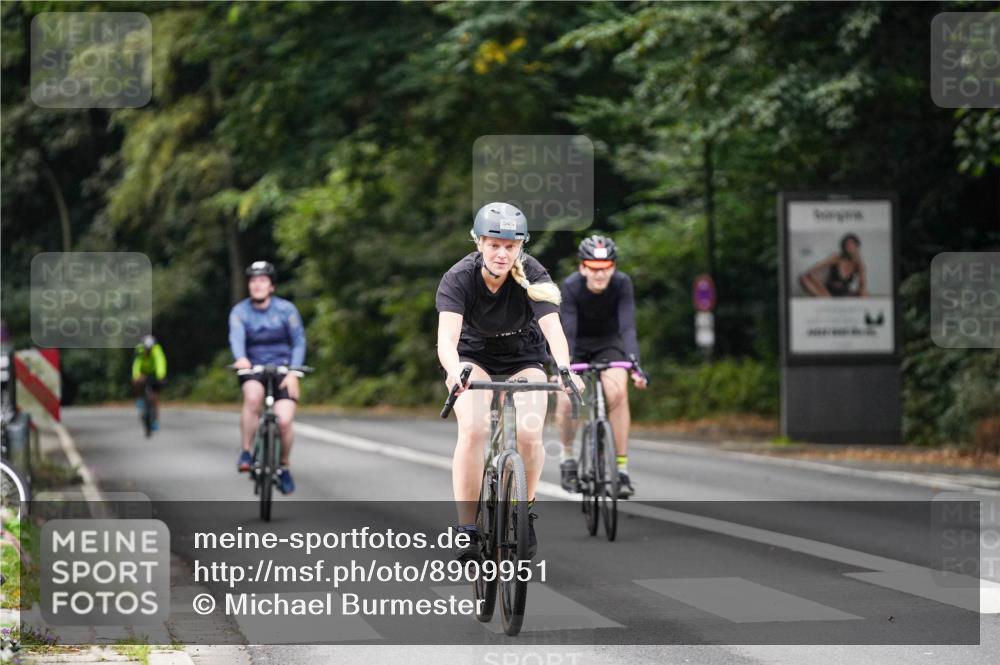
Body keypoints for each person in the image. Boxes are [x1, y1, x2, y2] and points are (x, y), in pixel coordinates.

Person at [437, 202, 584, 562]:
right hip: (473, 358)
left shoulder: (533, 273)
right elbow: (446, 341)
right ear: (479, 243)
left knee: (531, 434)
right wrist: (455, 372)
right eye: (494, 245)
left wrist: (565, 370)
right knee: (472, 430)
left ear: (521, 246)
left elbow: (553, 329)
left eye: (511, 246)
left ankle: (524, 510)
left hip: (524, 357)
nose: (502, 254)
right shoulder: (459, 277)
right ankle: (467, 528)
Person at [555, 234, 647, 498]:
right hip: (576, 345)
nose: (599, 274)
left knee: (617, 393)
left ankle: (621, 469)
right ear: (582, 267)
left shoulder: (622, 284)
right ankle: (568, 457)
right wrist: (564, 369)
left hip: (608, 343)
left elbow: (628, 327)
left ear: (613, 267)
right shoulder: (571, 286)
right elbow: (567, 331)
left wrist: (635, 366)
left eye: (605, 268)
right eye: (593, 268)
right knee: (566, 397)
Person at [228, 260, 306, 495]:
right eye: (253, 281)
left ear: (271, 286)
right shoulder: (240, 312)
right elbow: (236, 337)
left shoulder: (287, 310)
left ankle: (283, 466)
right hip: (254, 367)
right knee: (253, 398)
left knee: (284, 420)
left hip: (283, 368)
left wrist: (294, 371)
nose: (257, 285)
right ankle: (246, 451)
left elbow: (299, 340)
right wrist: (241, 358)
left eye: (263, 281)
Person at [798, 233, 869, 297]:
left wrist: (862, 293)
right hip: (827, 291)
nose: (849, 246)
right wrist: (811, 275)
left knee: (865, 294)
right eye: (847, 244)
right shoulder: (836, 258)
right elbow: (819, 265)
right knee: (803, 278)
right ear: (844, 247)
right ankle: (827, 299)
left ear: (857, 246)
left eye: (852, 244)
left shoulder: (859, 264)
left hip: (844, 293)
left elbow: (862, 285)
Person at [132, 334, 167, 431]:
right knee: (137, 383)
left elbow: (160, 362)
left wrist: (161, 375)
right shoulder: (140, 350)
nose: (148, 350)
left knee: (155, 397)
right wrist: (136, 376)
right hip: (143, 372)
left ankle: (155, 420)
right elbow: (137, 364)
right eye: (147, 348)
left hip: (154, 373)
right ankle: (139, 400)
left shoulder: (157, 350)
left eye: (150, 348)